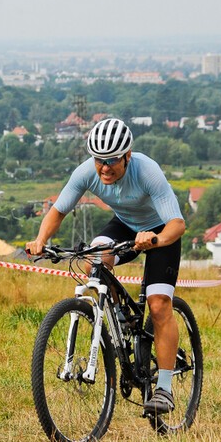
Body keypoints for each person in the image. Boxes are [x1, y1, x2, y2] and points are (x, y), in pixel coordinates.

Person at [25, 117, 185, 415]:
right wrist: (40, 239)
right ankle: (121, 318)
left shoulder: (147, 171)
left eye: (112, 160)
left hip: (161, 233)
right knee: (94, 259)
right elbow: (58, 210)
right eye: (100, 160)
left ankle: (164, 388)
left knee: (159, 304)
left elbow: (178, 224)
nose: (105, 167)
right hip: (124, 226)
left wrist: (156, 239)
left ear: (127, 156)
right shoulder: (87, 172)